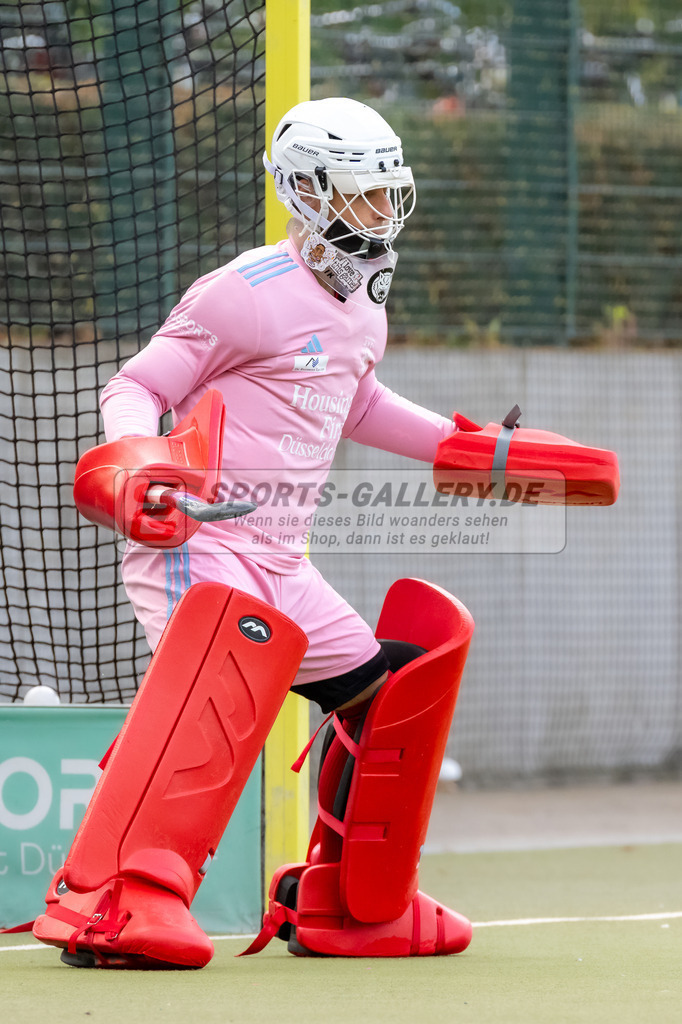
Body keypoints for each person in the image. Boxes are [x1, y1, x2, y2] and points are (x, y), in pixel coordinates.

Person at [32, 97, 475, 967]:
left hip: (281, 559)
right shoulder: (244, 290)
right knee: (208, 705)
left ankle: (351, 903)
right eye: (361, 195)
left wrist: (471, 447)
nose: (382, 215)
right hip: (200, 542)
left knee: (383, 696)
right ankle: (114, 903)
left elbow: (362, 403)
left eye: (389, 196)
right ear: (306, 192)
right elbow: (137, 384)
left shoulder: (364, 308)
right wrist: (144, 467)